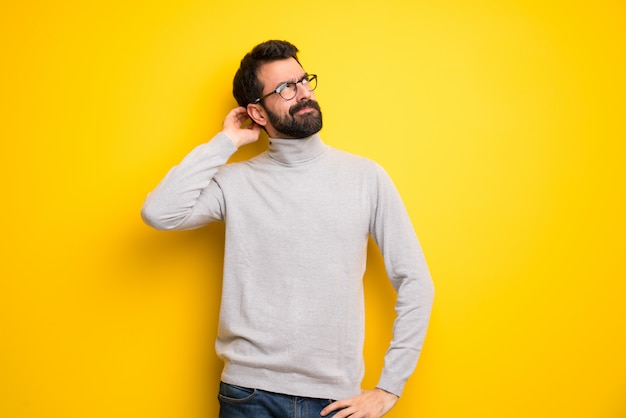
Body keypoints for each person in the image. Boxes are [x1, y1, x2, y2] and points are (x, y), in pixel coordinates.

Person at [141, 40, 434, 418]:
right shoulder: (235, 182)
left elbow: (416, 281)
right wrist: (225, 142)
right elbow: (159, 212)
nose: (304, 93)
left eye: (303, 80)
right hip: (249, 396)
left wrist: (389, 388)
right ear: (256, 113)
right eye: (285, 88)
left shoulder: (366, 177)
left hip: (335, 402)